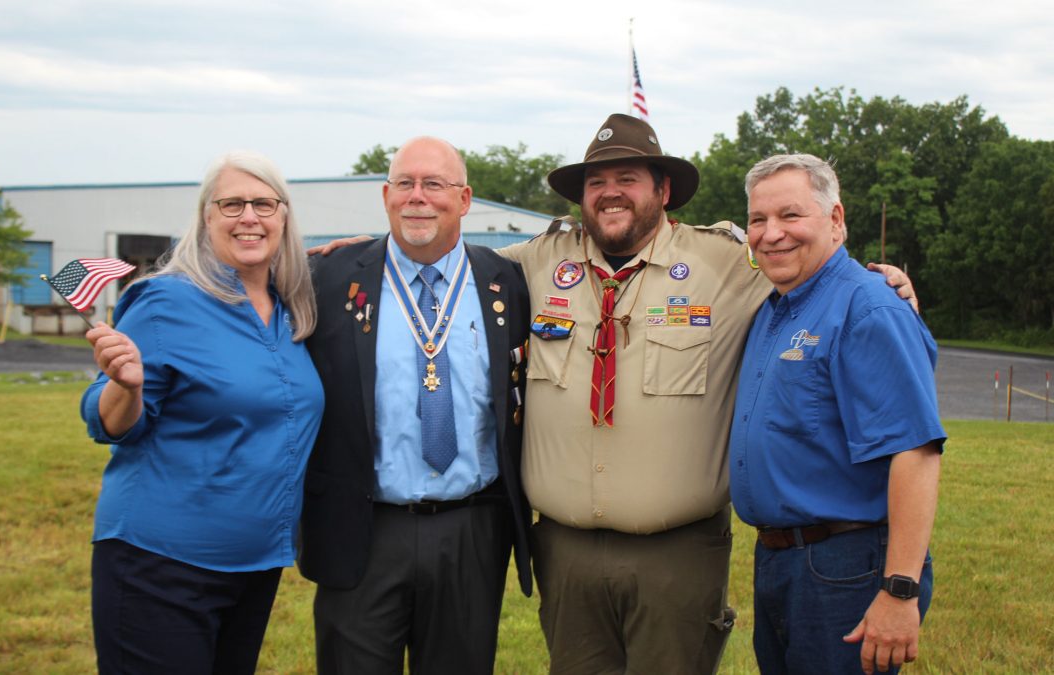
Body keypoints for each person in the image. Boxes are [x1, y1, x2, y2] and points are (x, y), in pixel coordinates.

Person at [311, 115, 915, 674]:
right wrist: (364, 253)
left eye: (628, 178)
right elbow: (438, 253)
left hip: (676, 554)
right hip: (565, 553)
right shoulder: (534, 264)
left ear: (664, 191)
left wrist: (874, 278)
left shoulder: (730, 263)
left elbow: (805, 263)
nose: (610, 192)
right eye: (596, 181)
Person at [80, 150, 325, 673]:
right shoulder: (167, 301)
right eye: (231, 204)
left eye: (264, 203)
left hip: (255, 564)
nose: (249, 217)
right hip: (160, 561)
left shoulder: (291, 309)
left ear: (284, 215)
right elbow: (107, 421)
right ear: (206, 217)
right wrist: (126, 387)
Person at [299, 136, 532, 675]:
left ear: (466, 198)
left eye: (434, 184)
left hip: (472, 528)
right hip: (362, 529)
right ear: (385, 195)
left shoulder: (507, 282)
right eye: (404, 183)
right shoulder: (328, 278)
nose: (417, 197)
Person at [728, 153, 944, 675]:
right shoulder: (775, 306)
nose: (771, 233)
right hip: (782, 560)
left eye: (790, 215)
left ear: (836, 219)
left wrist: (899, 591)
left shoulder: (868, 308)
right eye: (758, 220)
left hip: (845, 565)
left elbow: (915, 453)